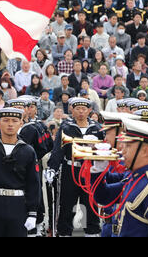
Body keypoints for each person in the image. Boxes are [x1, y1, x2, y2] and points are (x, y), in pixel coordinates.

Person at [45, 98, 104, 237]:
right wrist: (52, 168)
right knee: (66, 203)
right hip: (71, 169)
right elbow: (58, 149)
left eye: (84, 109)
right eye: (78, 109)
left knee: (90, 202)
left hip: (90, 170)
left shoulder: (97, 128)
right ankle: (65, 232)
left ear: (90, 110)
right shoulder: (66, 126)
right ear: (72, 110)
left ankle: (92, 231)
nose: (81, 112)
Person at [91, 117, 148, 237]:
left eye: (128, 147)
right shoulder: (136, 177)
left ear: (145, 151)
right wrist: (98, 169)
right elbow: (104, 196)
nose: (123, 151)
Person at [0, 107, 40, 236]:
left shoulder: (28, 151)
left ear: (21, 123)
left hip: (18, 204)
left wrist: (32, 212)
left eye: (14, 120)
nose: (10, 124)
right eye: (5, 120)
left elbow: (33, 183)